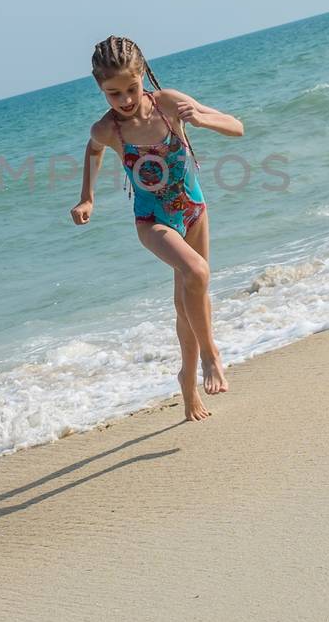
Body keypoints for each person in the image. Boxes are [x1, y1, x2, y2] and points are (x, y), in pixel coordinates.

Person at [71, 35, 244, 423]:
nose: (126, 100)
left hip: (194, 210)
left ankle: (186, 380)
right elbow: (92, 150)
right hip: (153, 222)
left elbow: (237, 127)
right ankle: (212, 358)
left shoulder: (167, 104)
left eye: (131, 89)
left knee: (189, 296)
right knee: (196, 272)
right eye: (114, 94)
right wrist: (87, 197)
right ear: (100, 89)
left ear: (142, 76)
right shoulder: (108, 130)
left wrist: (200, 119)